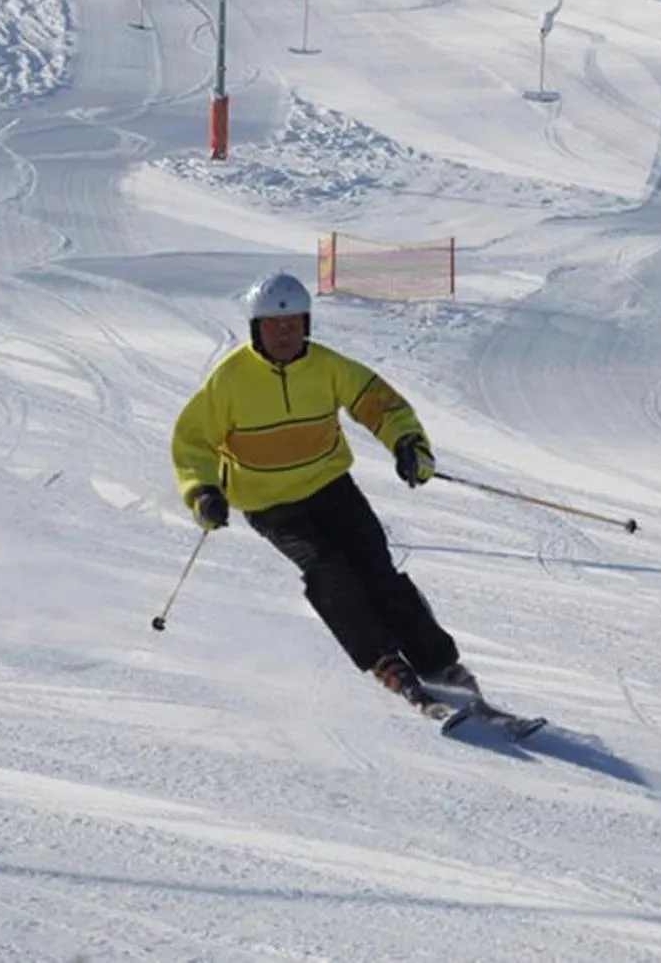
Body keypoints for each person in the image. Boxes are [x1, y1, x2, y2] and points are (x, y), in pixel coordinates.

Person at [171, 271, 481, 711]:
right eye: (275, 325)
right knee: (328, 569)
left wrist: (408, 443)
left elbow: (379, 404)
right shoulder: (229, 381)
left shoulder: (327, 366)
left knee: (376, 567)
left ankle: (439, 664)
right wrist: (202, 492)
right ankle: (384, 661)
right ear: (255, 329)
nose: (285, 333)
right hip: (270, 503)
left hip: (331, 486)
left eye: (294, 324)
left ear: (307, 325)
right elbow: (191, 441)